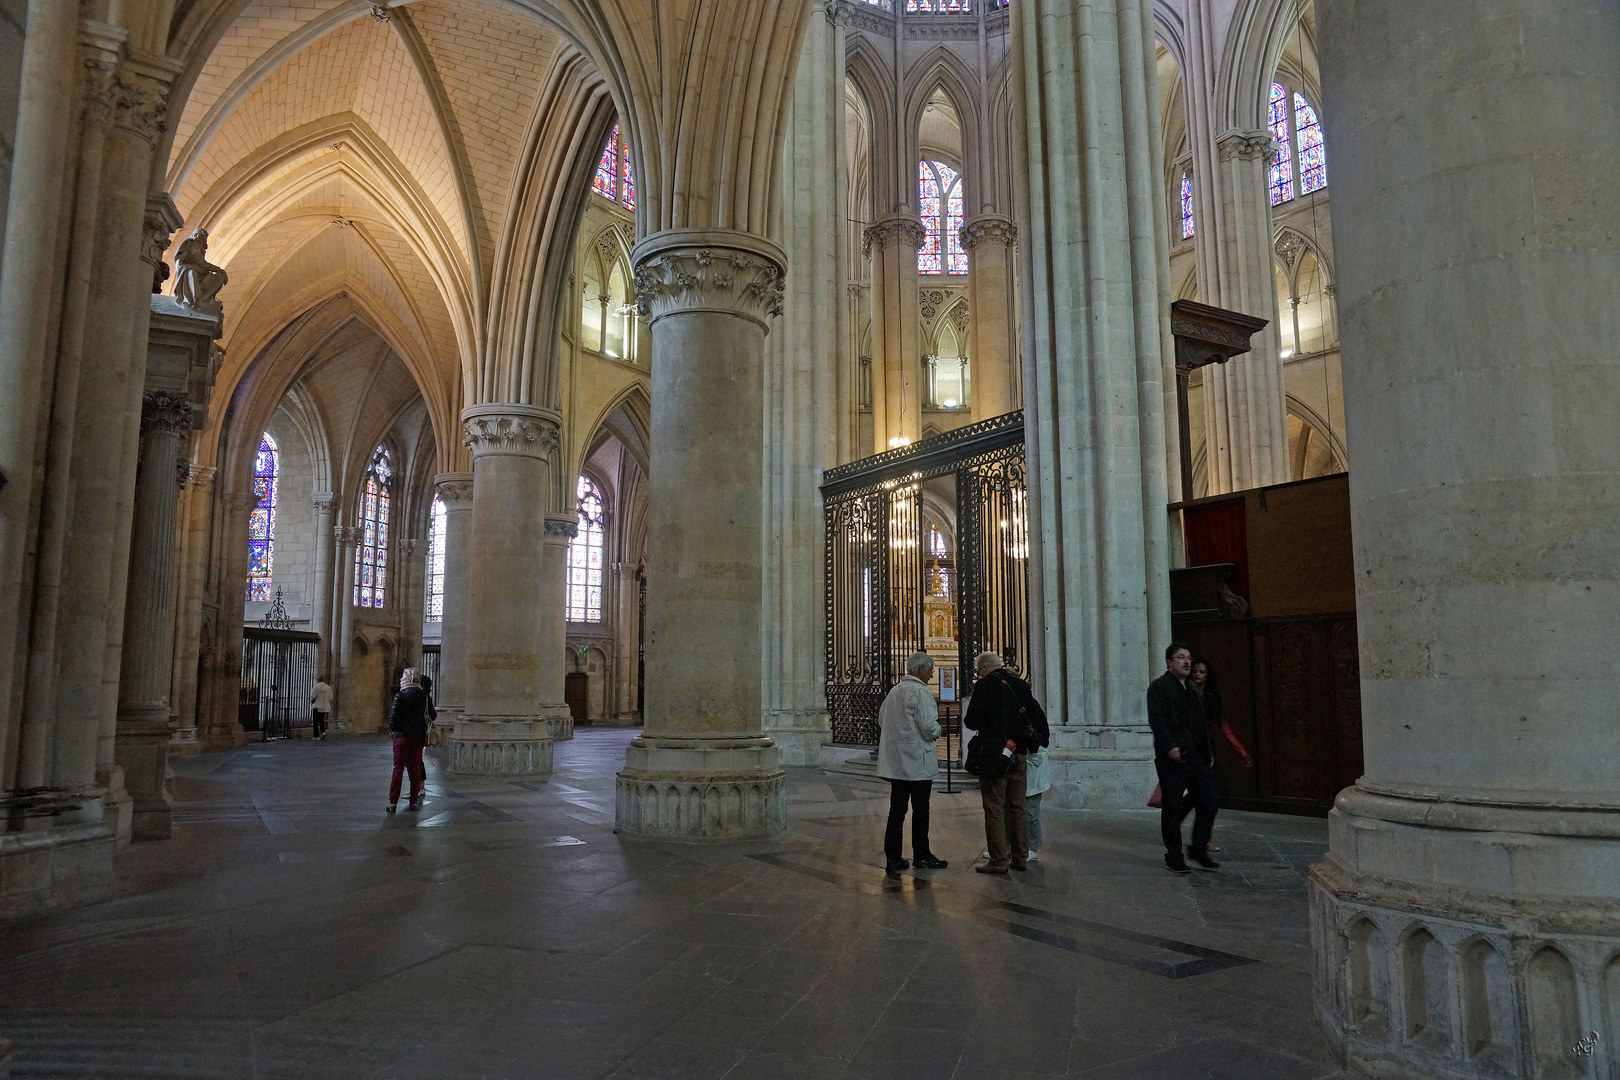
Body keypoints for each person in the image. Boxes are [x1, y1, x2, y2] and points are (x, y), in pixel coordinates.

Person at [963, 651, 1049, 874]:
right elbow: (1033, 715)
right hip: (1018, 752)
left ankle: (999, 860)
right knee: (1017, 806)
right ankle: (1020, 857)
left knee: (994, 808)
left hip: (994, 754)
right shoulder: (1021, 685)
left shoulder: (985, 686)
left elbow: (971, 721)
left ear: (983, 668)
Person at [1147, 643, 1219, 874]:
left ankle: (1198, 848)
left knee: (1209, 799)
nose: (1187, 662)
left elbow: (1201, 724)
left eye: (1188, 657)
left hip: (1197, 756)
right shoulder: (1159, 687)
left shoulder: (1192, 688)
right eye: (1181, 657)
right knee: (1173, 807)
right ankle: (1174, 855)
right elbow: (1158, 721)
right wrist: (1170, 746)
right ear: (1169, 662)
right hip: (1174, 757)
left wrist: (1208, 753)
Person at [876, 652, 948, 873]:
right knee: (920, 810)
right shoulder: (920, 691)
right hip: (917, 762)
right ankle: (922, 855)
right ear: (919, 670)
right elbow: (928, 727)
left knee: (896, 811)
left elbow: (881, 719)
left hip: (897, 762)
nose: (932, 673)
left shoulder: (894, 691)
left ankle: (893, 858)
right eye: (930, 670)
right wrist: (939, 731)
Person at [1190, 658, 1251, 852]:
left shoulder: (1212, 698)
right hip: (1189, 750)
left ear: (1208, 675)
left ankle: (1203, 839)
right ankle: (1181, 833)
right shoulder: (1186, 694)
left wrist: (1241, 752)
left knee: (1208, 798)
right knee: (1192, 798)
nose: (1198, 674)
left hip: (1207, 751)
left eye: (1202, 671)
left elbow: (1224, 727)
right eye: (1195, 671)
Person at [386, 668, 435, 813]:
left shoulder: (400, 695)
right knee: (415, 768)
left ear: (405, 679)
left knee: (398, 768)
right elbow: (433, 715)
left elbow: (393, 718)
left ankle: (393, 803)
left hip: (401, 737)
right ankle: (414, 801)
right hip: (418, 737)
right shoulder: (425, 697)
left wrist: (394, 731)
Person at [310, 676, 332, 741]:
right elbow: (331, 697)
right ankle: (323, 732)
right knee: (321, 720)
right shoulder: (328, 687)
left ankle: (316, 736)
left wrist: (312, 701)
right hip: (325, 706)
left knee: (315, 721)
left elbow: (313, 696)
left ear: (318, 680)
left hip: (317, 705)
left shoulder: (316, 687)